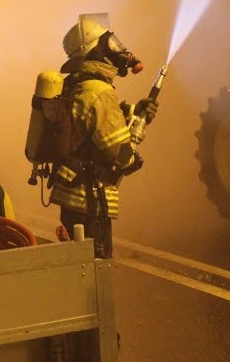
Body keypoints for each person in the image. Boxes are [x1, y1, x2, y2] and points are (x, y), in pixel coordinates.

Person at [48, 15, 157, 258]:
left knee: (77, 269)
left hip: (72, 197)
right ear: (94, 50)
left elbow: (88, 124)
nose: (118, 48)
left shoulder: (77, 84)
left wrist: (134, 113)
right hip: (90, 200)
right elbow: (120, 155)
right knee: (95, 274)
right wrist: (134, 154)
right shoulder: (99, 91)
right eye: (109, 42)